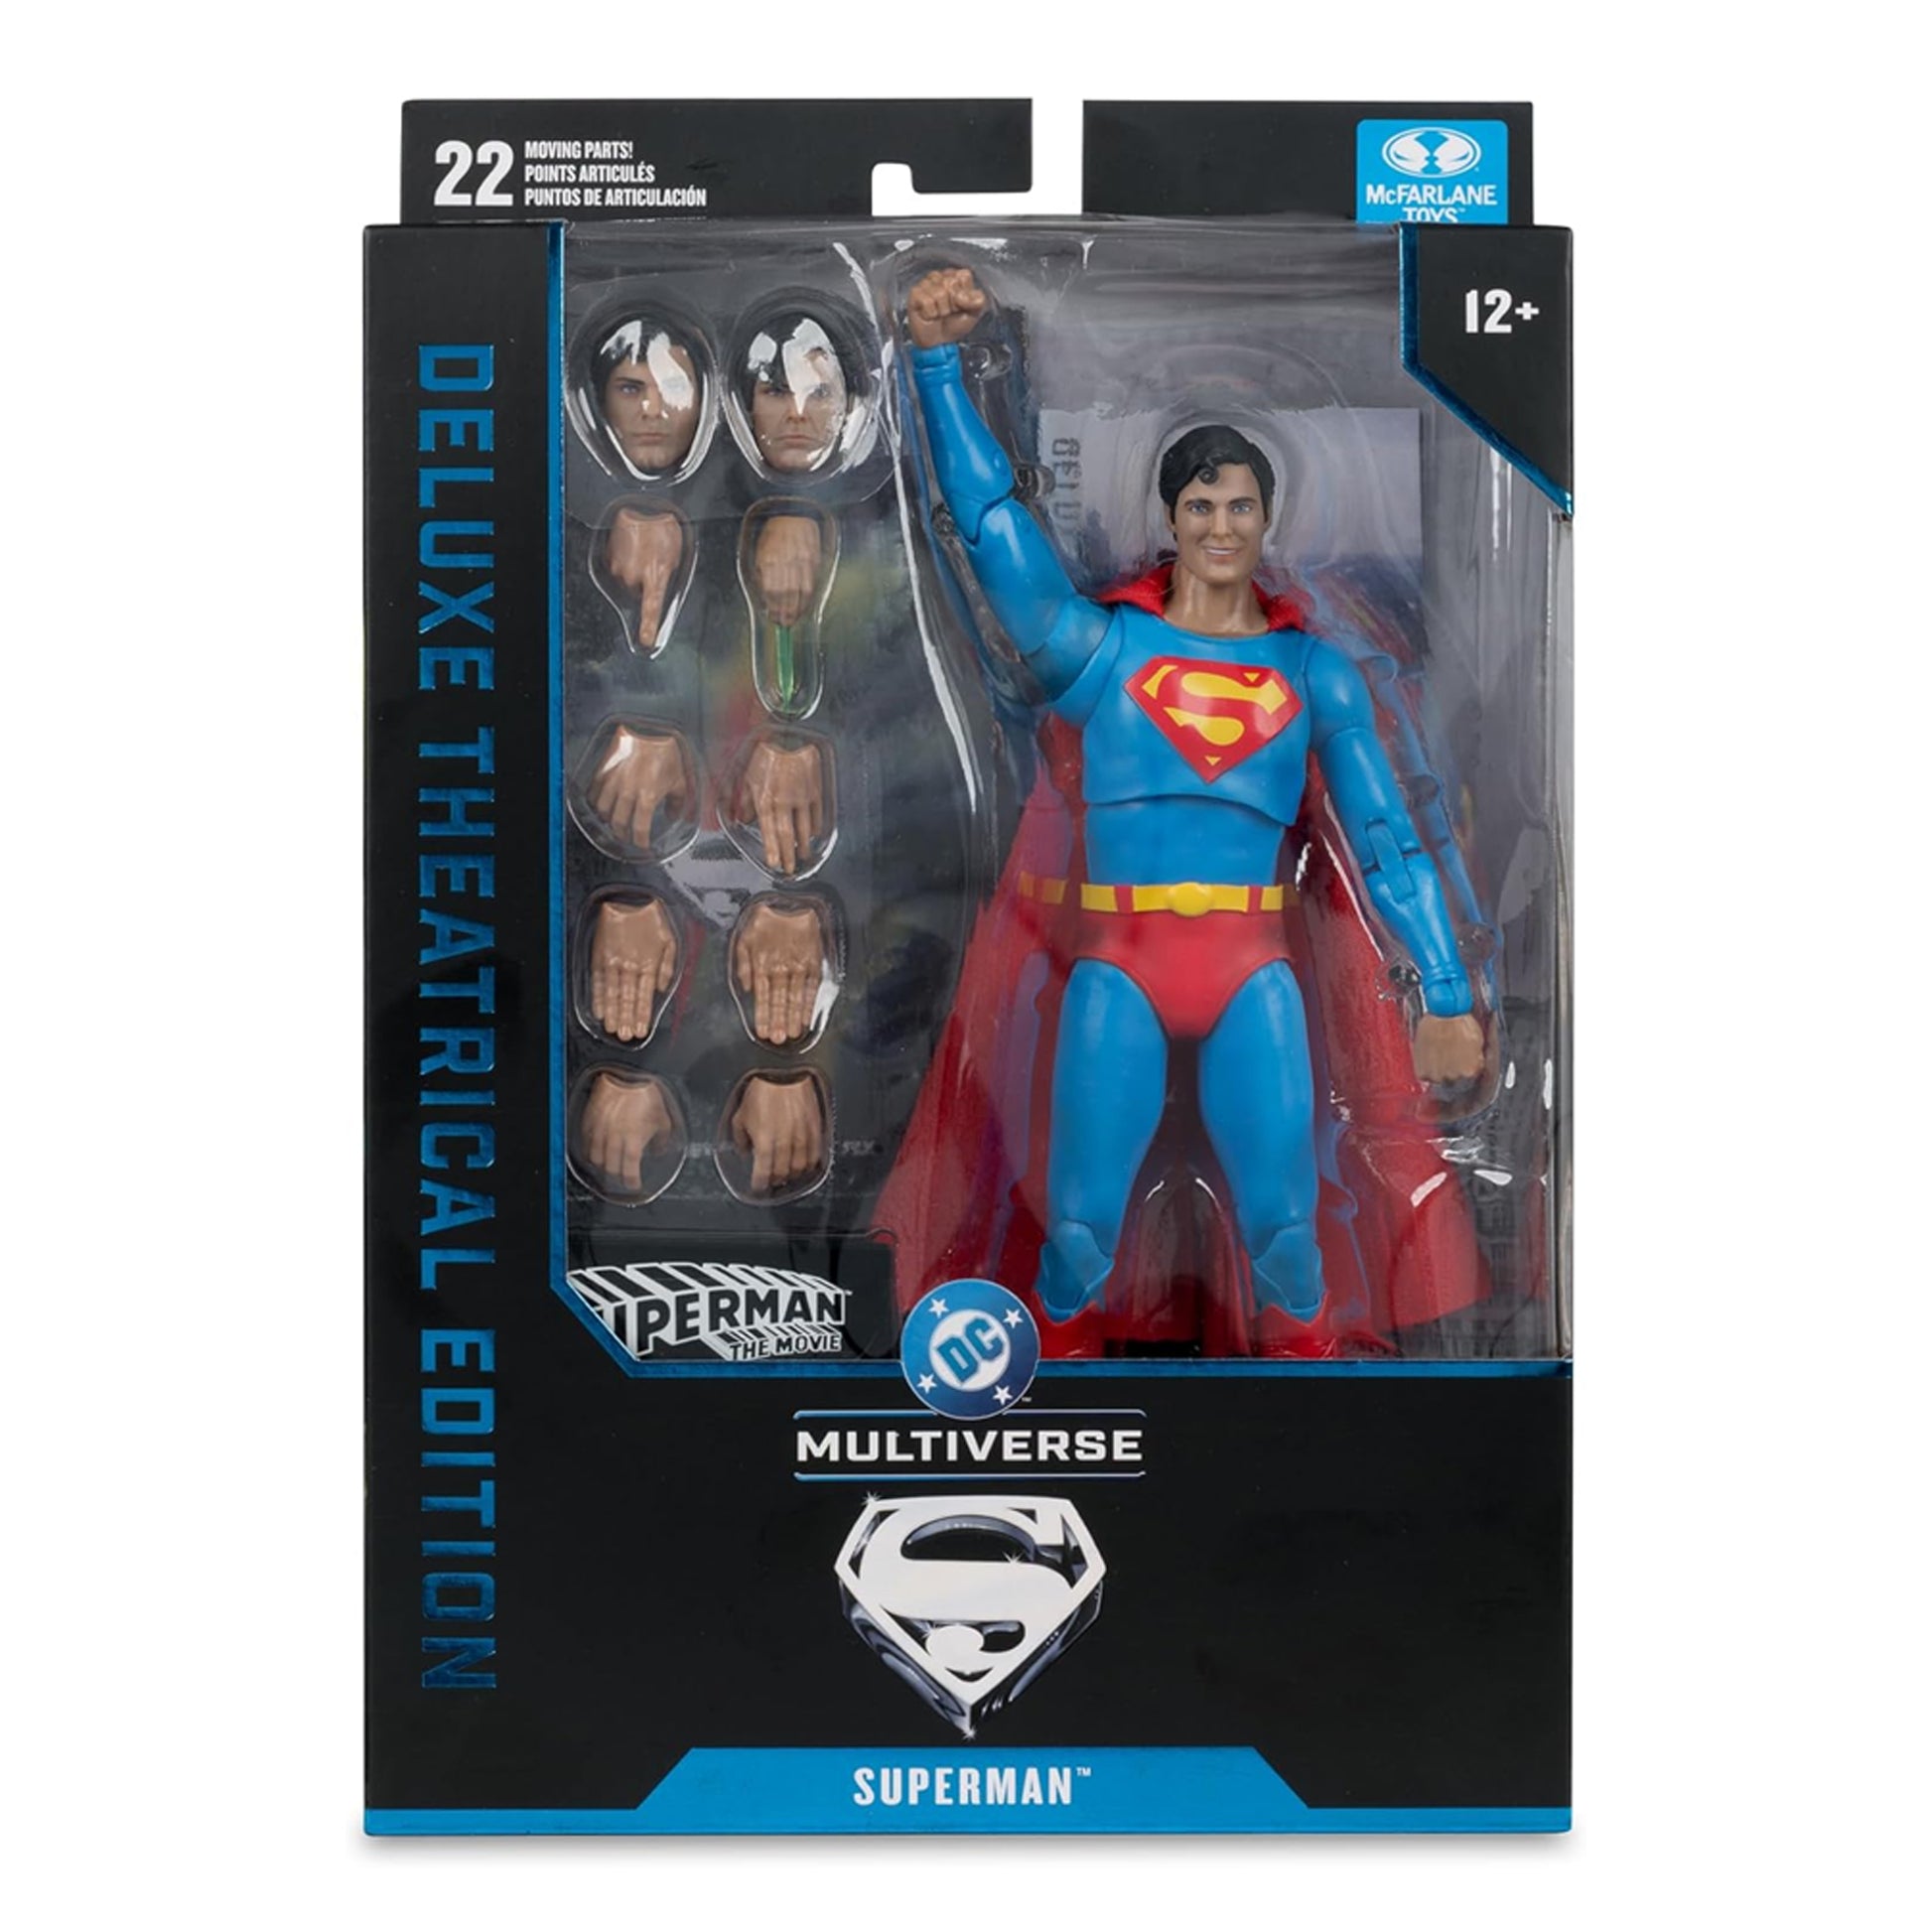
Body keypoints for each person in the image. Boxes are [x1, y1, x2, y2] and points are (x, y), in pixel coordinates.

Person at [901, 266, 1483, 1328]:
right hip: (1116, 971)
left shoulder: (1315, 674)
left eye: (1240, 505)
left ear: (1268, 517)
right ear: (1171, 516)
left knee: (1288, 1242)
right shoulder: (1105, 655)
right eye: (1202, 504)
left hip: (1250, 973)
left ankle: (1308, 1409)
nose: (1221, 524)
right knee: (1077, 1240)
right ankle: (1047, 1393)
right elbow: (989, 529)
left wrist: (1443, 992)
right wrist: (936, 367)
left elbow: (1386, 842)